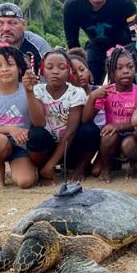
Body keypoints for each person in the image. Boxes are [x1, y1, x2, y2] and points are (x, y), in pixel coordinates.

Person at [0, 46, 45, 189]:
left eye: (10, 64)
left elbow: (40, 123)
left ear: (19, 68)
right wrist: (11, 129)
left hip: (22, 144)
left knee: (25, 182)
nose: (4, 69)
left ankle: (23, 164)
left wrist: (30, 92)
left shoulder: (30, 89)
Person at [30, 49, 99, 183]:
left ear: (69, 72)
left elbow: (71, 132)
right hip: (47, 147)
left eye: (61, 67)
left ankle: (80, 167)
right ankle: (42, 169)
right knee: (36, 134)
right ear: (42, 70)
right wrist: (29, 92)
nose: (55, 71)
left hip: (70, 147)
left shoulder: (76, 93)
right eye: (49, 67)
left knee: (90, 130)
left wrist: (52, 164)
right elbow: (38, 123)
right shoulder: (37, 90)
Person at [63, 0, 137, 84]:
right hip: (96, 47)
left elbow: (135, 35)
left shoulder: (124, 2)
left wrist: (132, 57)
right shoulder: (72, 5)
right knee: (87, 77)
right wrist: (78, 67)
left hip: (125, 47)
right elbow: (72, 42)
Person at [83, 46, 137, 182]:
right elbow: (86, 119)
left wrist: (118, 126)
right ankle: (106, 168)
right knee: (96, 171)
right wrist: (92, 97)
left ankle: (135, 164)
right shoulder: (106, 92)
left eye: (130, 67)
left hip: (133, 136)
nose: (126, 71)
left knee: (129, 144)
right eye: (119, 68)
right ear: (111, 72)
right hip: (112, 138)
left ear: (135, 69)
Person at [0, 3, 51, 83]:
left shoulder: (38, 45)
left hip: (33, 93)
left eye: (12, 23)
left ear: (23, 24)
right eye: (0, 23)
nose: (6, 28)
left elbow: (51, 82)